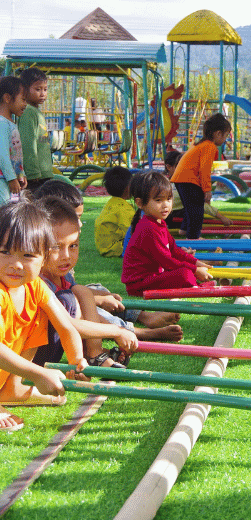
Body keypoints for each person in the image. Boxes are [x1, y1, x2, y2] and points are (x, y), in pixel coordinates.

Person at [35, 177, 183, 340]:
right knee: (85, 304)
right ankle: (135, 331)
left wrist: (100, 295)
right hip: (61, 311)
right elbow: (63, 299)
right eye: (74, 217)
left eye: (79, 217)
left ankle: (143, 316)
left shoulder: (63, 255)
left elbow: (72, 286)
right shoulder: (40, 264)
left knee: (98, 290)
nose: (81, 224)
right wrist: (97, 300)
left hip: (67, 300)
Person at [0, 199, 87, 432]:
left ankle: (13, 389)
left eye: (28, 255)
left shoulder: (35, 287)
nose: (16, 264)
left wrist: (76, 361)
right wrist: (38, 373)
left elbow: (67, 327)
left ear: (44, 257)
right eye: (5, 252)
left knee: (40, 316)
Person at [33, 196, 138, 369]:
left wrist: (118, 330)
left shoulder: (63, 276)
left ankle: (94, 354)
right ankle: (90, 356)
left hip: (54, 348)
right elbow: (68, 324)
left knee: (82, 291)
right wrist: (116, 331)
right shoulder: (38, 281)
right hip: (33, 358)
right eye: (57, 247)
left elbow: (85, 313)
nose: (66, 255)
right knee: (69, 298)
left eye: (73, 246)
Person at [122, 170, 213, 296]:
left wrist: (196, 262)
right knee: (184, 274)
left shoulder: (159, 223)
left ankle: (196, 283)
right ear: (140, 203)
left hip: (153, 276)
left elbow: (174, 250)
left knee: (185, 268)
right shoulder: (148, 227)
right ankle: (196, 285)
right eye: (159, 200)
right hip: (139, 284)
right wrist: (195, 270)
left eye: (169, 199)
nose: (166, 205)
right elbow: (167, 261)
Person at [170, 113, 232, 239]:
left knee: (190, 207)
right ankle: (193, 237)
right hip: (188, 179)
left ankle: (184, 230)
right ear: (218, 133)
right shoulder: (209, 146)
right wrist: (207, 189)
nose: (225, 139)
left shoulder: (200, 144)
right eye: (225, 136)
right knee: (197, 210)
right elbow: (205, 170)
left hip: (180, 178)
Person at [164, 150, 233, 233]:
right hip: (171, 217)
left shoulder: (168, 182)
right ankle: (187, 232)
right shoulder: (178, 184)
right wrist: (221, 217)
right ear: (169, 167)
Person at [17, 68, 53, 193]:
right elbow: (28, 144)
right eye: (38, 89)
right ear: (24, 90)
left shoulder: (35, 111)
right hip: (35, 177)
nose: (43, 93)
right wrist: (33, 173)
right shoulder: (27, 112)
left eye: (45, 89)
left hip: (43, 173)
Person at [95, 166, 135, 257]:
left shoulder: (111, 203)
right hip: (116, 248)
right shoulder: (123, 208)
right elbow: (132, 231)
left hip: (104, 247)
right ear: (127, 188)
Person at [0, 76, 27, 204]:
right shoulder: (2, 123)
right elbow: (2, 154)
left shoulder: (10, 123)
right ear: (7, 98)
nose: (25, 104)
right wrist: (11, 178)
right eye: (23, 99)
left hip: (7, 180)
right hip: (2, 180)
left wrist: (21, 174)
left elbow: (15, 154)